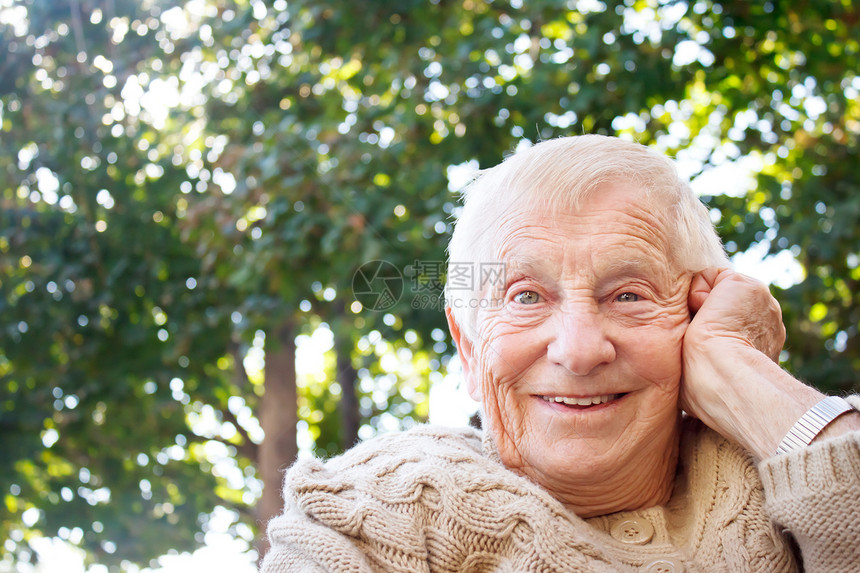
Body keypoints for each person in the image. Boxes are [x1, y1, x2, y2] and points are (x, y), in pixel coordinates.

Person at [261, 135, 860, 572]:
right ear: (470, 350)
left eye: (629, 295)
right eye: (526, 296)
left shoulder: (792, 481)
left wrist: (745, 381)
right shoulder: (373, 512)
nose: (578, 351)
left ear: (699, 314)